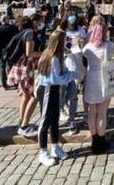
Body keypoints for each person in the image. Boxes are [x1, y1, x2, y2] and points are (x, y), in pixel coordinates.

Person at [35, 29, 77, 167]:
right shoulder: (52, 58)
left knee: (54, 119)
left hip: (53, 89)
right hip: (47, 89)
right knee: (45, 120)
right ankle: (42, 151)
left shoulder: (54, 56)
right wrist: (72, 75)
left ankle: (55, 146)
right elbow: (56, 78)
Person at [7, 15, 43, 138]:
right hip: (26, 66)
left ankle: (22, 122)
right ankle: (24, 126)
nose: (40, 25)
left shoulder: (23, 32)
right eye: (39, 22)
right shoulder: (30, 33)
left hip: (19, 66)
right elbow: (30, 53)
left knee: (26, 95)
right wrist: (45, 53)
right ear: (33, 22)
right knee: (34, 95)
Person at [82, 16, 114, 154]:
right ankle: (101, 141)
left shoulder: (87, 48)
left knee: (92, 112)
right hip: (104, 79)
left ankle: (95, 140)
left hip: (91, 79)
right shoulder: (109, 45)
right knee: (102, 113)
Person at [62, 14, 87, 135]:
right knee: (66, 90)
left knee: (74, 90)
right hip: (67, 61)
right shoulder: (62, 31)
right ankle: (65, 108)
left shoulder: (81, 29)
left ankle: (71, 117)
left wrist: (82, 43)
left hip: (78, 59)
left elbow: (85, 44)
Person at [0, 15, 19, 89]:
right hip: (12, 50)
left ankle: (4, 84)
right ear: (8, 20)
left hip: (1, 50)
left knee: (2, 67)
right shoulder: (14, 28)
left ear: (1, 21)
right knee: (13, 66)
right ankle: (15, 82)